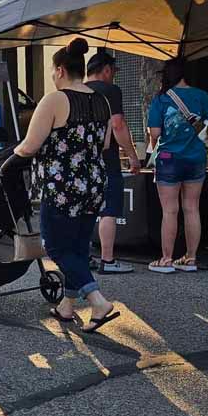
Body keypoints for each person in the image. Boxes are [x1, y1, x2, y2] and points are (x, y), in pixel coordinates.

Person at [14, 39, 120, 332]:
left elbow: (30, 145)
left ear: (60, 70)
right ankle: (67, 305)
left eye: (52, 70)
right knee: (77, 246)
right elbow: (106, 143)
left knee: (56, 247)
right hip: (94, 182)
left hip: (62, 186)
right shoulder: (102, 100)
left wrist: (13, 154)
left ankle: (97, 300)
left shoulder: (55, 99)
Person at [147, 58, 208, 274]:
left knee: (170, 210)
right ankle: (190, 258)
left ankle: (167, 259)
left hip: (169, 158)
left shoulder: (161, 100)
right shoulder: (201, 95)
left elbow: (155, 133)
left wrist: (157, 148)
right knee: (192, 208)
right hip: (196, 158)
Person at [85, 47, 142, 274]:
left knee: (85, 210)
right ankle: (107, 260)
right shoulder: (110, 90)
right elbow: (117, 124)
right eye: (113, 71)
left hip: (81, 160)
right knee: (108, 208)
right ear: (107, 70)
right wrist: (132, 156)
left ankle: (85, 256)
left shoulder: (75, 90)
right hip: (106, 159)